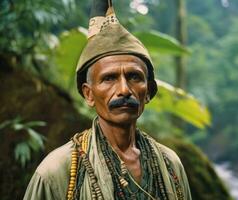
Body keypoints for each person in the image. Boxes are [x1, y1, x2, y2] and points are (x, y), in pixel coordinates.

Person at [24, 0, 192, 199]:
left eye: (134, 77)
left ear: (148, 92)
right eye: (109, 78)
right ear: (89, 94)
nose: (124, 90)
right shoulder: (57, 172)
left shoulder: (170, 164)